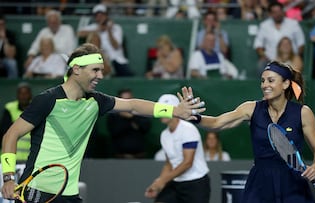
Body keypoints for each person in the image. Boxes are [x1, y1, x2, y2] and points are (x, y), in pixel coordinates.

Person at [0, 43, 205, 202]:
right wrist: (8, 178)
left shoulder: (97, 101)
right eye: (95, 70)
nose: (100, 75)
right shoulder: (48, 100)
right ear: (77, 69)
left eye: (101, 70)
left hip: (69, 194)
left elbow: (133, 105)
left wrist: (174, 111)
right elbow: (11, 135)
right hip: (36, 191)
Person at [189, 61, 315, 202]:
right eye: (262, 81)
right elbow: (217, 123)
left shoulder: (303, 113)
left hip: (293, 184)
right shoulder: (250, 108)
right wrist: (193, 116)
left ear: (285, 84)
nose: (265, 85)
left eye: (271, 80)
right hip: (260, 183)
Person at [145, 94, 210, 203]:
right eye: (161, 109)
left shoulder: (188, 129)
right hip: (175, 183)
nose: (162, 113)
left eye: (166, 109)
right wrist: (158, 184)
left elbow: (187, 163)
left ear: (175, 111)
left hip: (196, 184)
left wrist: (163, 180)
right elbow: (169, 164)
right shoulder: (164, 135)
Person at [78, 4, 133, 77]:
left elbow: (116, 46)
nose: (100, 17)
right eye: (97, 15)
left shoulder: (116, 28)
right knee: (94, 38)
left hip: (116, 60)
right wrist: (98, 29)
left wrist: (109, 31)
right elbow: (79, 33)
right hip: (100, 59)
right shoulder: (93, 27)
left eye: (102, 15)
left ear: (106, 15)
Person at [254, 2, 305, 75]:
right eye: (275, 12)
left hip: (291, 58)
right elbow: (258, 45)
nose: (278, 14)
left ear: (283, 11)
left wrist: (295, 57)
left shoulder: (293, 24)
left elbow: (301, 43)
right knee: (261, 65)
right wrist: (264, 56)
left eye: (279, 11)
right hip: (270, 60)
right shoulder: (264, 26)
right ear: (270, 14)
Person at [107, 88, 152, 158]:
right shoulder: (114, 116)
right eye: (124, 100)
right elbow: (114, 132)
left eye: (129, 99)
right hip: (120, 157)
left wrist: (132, 117)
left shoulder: (140, 113)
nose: (127, 103)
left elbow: (146, 128)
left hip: (140, 156)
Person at [0, 82, 32, 163]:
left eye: (26, 93)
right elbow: (5, 132)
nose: (23, 96)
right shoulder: (9, 108)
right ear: (17, 95)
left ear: (30, 95)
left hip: (29, 159)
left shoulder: (36, 108)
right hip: (10, 159)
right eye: (21, 93)